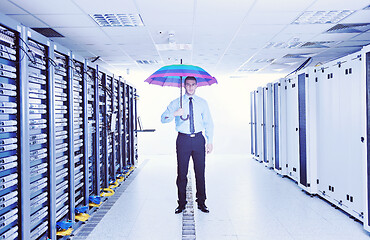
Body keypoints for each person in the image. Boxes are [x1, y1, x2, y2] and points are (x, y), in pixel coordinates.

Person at [161, 76, 214, 214]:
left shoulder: (202, 103)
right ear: (184, 86)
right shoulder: (176, 103)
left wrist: (210, 141)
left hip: (198, 139)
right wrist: (174, 113)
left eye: (193, 85)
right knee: (182, 173)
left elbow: (209, 122)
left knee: (200, 172)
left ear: (197, 86)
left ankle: (201, 202)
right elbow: (163, 119)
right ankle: (181, 203)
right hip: (183, 140)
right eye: (188, 85)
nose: (190, 87)